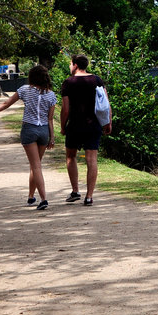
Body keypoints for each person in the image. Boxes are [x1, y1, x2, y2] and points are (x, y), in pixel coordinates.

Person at [0, 65, 57, 210]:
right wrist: (52, 137)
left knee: (36, 166)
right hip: (44, 131)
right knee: (36, 165)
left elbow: (6, 103)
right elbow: (50, 119)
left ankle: (43, 199)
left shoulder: (24, 90)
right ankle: (31, 196)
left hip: (29, 129)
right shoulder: (51, 95)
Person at [60, 54, 111, 206]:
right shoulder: (96, 80)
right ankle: (89, 196)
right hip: (93, 124)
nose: (70, 67)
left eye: (70, 64)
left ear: (75, 65)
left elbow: (66, 109)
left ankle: (75, 190)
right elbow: (106, 103)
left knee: (70, 156)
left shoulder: (68, 82)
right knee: (91, 159)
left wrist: (63, 126)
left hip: (75, 125)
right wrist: (108, 122)